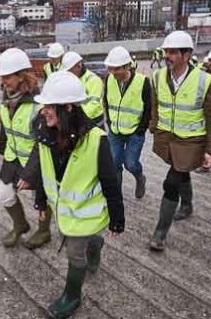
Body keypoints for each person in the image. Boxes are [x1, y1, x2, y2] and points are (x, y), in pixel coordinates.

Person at [25, 71, 125, 318]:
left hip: (85, 214)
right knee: (77, 241)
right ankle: (95, 242)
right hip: (63, 210)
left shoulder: (96, 140)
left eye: (50, 106)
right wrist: (40, 199)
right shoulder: (45, 134)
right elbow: (43, 170)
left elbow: (110, 182)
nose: (44, 111)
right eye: (44, 105)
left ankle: (72, 296)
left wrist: (117, 217)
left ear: (68, 107)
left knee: (73, 253)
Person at [149, 31, 211, 250]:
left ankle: (159, 234)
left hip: (190, 143)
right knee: (180, 171)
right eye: (166, 52)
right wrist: (154, 126)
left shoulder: (204, 81)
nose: (167, 56)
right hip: (167, 141)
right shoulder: (158, 77)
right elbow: (155, 105)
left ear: (186, 54)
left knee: (171, 183)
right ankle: (188, 204)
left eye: (172, 52)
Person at [0, 48, 48, 247]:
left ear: (22, 76)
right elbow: (6, 128)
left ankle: (43, 231)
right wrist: (2, 150)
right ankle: (20, 225)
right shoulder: (5, 99)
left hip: (36, 162)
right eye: (2, 77)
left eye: (7, 76)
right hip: (12, 158)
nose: (3, 81)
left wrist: (28, 174)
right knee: (4, 194)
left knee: (41, 198)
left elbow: (41, 144)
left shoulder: (38, 105)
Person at [102, 46, 151, 199]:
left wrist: (140, 130)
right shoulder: (109, 79)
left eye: (116, 69)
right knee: (114, 163)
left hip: (134, 132)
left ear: (127, 66)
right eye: (111, 69)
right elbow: (106, 101)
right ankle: (117, 195)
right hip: (115, 131)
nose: (113, 72)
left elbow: (149, 108)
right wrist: (110, 123)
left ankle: (140, 177)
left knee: (130, 164)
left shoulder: (143, 82)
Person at [61, 51, 106, 128]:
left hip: (94, 122)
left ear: (79, 65)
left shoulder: (93, 80)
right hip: (80, 121)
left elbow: (95, 105)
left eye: (70, 70)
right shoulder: (72, 79)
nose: (69, 73)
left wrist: (77, 116)